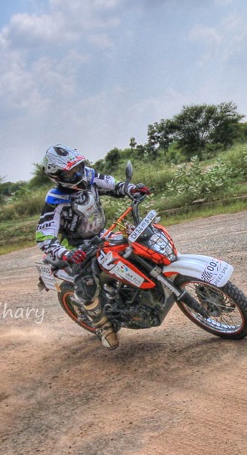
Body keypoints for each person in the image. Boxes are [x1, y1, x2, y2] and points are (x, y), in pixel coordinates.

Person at [35, 144, 151, 350]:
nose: (77, 173)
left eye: (78, 167)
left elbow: (112, 185)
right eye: (71, 171)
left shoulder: (89, 176)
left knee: (139, 248)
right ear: (57, 175)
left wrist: (131, 189)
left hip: (103, 234)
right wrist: (68, 254)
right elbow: (44, 236)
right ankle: (103, 327)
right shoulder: (55, 200)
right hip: (78, 248)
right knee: (87, 286)